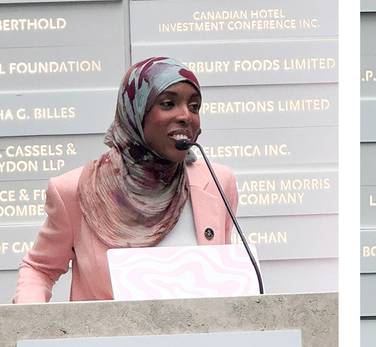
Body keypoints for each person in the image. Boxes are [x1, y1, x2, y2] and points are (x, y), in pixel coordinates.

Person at [13, 57, 238, 302]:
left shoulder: (217, 182)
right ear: (135, 110)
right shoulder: (74, 190)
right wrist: (32, 331)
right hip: (107, 339)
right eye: (168, 103)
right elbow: (39, 269)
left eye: (194, 106)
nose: (186, 116)